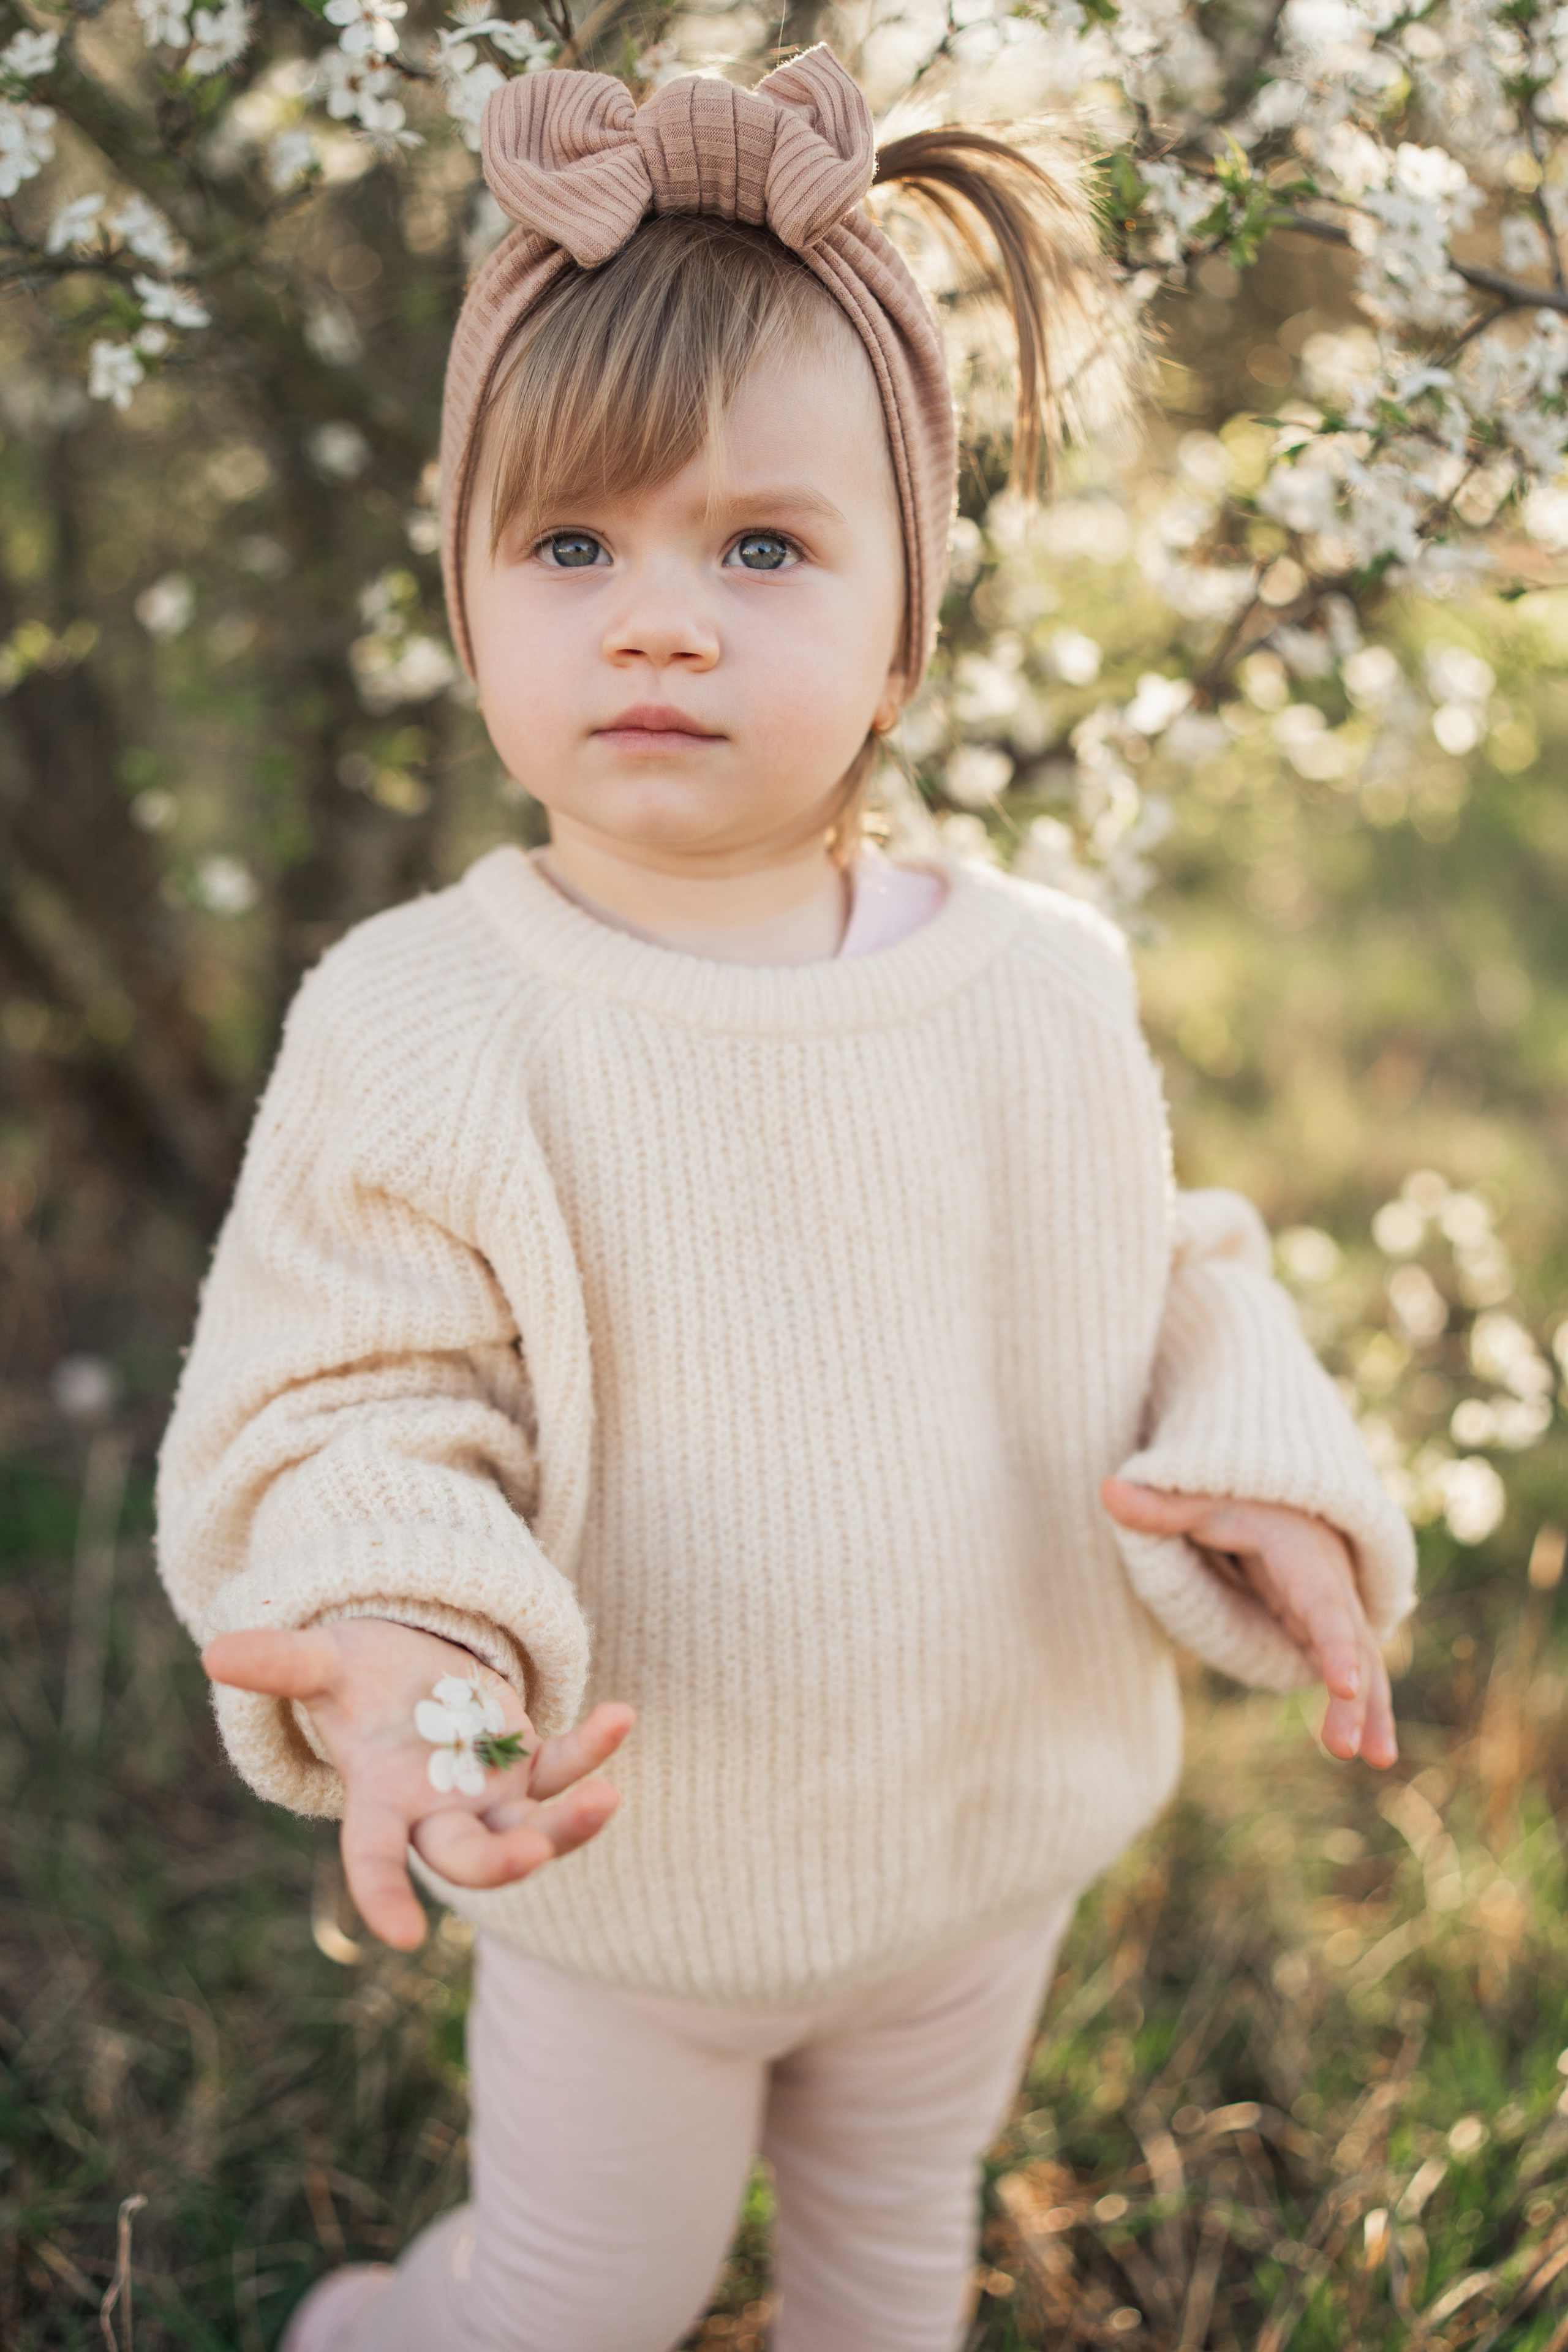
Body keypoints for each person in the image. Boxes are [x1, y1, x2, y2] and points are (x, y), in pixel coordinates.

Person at [154, 46, 1417, 2352]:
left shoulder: (1037, 986)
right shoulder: (434, 1018)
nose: (658, 619)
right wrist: (403, 1626)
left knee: (889, 2252)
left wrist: (1278, 1481)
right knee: (577, 2302)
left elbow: (1160, 1277)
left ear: (909, 615)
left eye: (759, 546)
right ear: (465, 586)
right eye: (573, 545)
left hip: (975, 1853)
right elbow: (351, 1391)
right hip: (642, 1887)